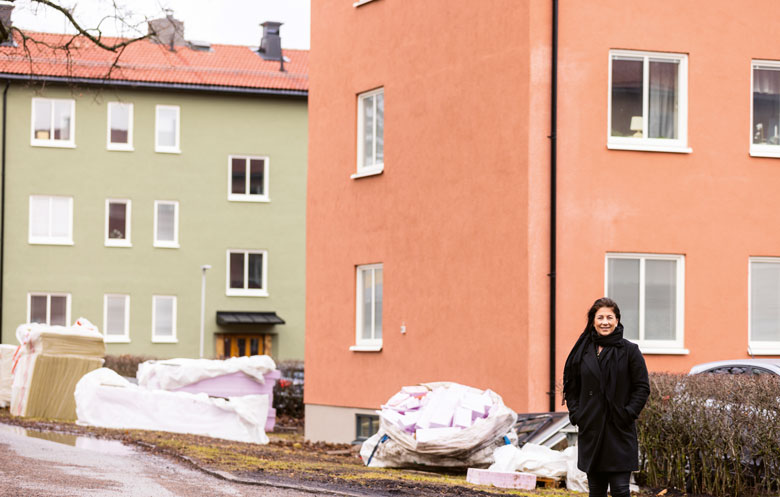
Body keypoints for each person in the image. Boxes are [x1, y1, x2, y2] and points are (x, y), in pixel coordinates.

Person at [562, 297, 650, 497]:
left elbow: (642, 387)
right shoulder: (582, 351)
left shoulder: (629, 351)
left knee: (620, 489)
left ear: (617, 320)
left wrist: (628, 414)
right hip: (591, 428)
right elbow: (572, 387)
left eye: (609, 317)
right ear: (593, 320)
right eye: (600, 317)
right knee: (596, 490)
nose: (605, 322)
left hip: (619, 429)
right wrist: (577, 414)